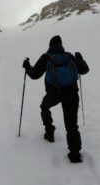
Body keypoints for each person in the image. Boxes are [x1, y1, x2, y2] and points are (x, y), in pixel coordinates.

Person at [22, 35, 89, 163]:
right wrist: (81, 59)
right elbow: (85, 70)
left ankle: (49, 131)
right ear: (61, 45)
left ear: (50, 46)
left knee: (44, 107)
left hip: (54, 93)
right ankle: (75, 154)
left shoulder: (46, 57)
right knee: (72, 125)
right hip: (71, 92)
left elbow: (35, 74)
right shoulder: (69, 56)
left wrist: (27, 66)